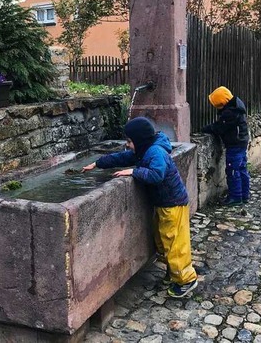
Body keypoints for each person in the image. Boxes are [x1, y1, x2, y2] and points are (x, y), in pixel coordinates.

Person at [82, 117, 198, 298]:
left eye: (129, 141)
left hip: (173, 204)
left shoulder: (156, 152)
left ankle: (186, 279)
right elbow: (122, 157)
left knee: (175, 243)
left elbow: (156, 175)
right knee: (163, 240)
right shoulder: (144, 150)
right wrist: (98, 163)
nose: (127, 145)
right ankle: (174, 273)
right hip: (163, 203)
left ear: (140, 140)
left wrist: (134, 171)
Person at [202, 86, 250, 206]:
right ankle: (245, 194)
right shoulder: (237, 108)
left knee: (233, 170)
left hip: (234, 145)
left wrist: (207, 129)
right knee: (242, 169)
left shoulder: (230, 114)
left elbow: (220, 127)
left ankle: (235, 197)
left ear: (221, 103)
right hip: (241, 143)